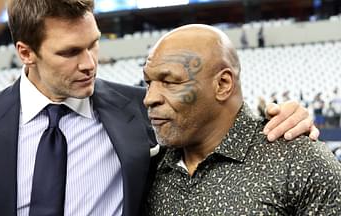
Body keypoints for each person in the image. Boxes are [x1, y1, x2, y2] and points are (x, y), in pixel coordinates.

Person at [0, 1, 318, 215]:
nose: (89, 64)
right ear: (26, 53)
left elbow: (216, 114)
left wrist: (287, 117)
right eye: (69, 52)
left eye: (93, 44)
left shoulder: (141, 109)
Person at [144, 24, 341, 215]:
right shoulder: (144, 166)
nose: (149, 98)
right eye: (148, 83)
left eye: (169, 82)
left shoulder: (299, 163)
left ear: (222, 84)